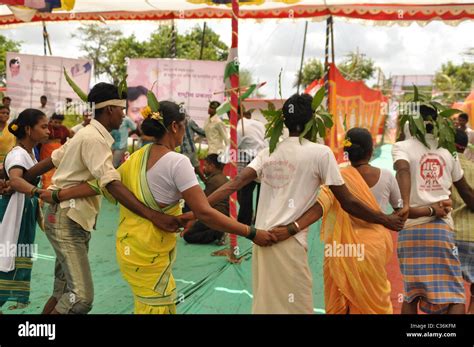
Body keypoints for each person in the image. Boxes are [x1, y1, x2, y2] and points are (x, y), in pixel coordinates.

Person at [184, 94, 404, 314]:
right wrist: (386, 219)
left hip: (261, 240)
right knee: (297, 307)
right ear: (313, 121)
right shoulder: (321, 154)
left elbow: (235, 184)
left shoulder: (268, 151)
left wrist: (196, 209)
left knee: (266, 306)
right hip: (289, 242)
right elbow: (347, 202)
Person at [23, 83, 184, 315]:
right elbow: (111, 183)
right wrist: (152, 215)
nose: (123, 115)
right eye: (121, 110)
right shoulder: (94, 139)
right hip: (67, 218)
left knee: (64, 293)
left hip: (67, 217)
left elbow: (53, 160)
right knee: (80, 299)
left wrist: (19, 177)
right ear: (109, 110)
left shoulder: (87, 134)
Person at [276, 127, 450, 314]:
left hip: (340, 249)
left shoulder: (337, 177)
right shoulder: (386, 177)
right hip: (373, 247)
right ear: (371, 150)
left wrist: (291, 228)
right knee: (372, 301)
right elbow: (403, 212)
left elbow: (319, 207)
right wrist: (433, 210)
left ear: (347, 153)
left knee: (344, 297)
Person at [392, 105, 474, 314]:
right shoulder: (448, 151)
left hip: (410, 229)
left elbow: (402, 168)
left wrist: (407, 204)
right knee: (455, 295)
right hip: (440, 230)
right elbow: (465, 191)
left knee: (411, 294)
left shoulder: (402, 146)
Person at [0, 109, 50, 311]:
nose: (48, 130)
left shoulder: (29, 153)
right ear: (28, 129)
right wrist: (38, 192)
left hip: (24, 212)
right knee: (8, 257)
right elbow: (16, 179)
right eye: (43, 126)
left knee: (19, 254)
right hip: (14, 212)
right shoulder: (18, 153)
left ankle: (14, 297)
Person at [182, 154, 229, 245]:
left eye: (205, 165)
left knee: (188, 236)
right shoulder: (223, 178)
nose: (203, 168)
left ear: (212, 166)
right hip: (224, 214)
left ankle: (217, 233)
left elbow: (202, 203)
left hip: (215, 215)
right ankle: (219, 231)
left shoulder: (214, 181)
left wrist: (193, 220)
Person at [452, 128, 474, 313]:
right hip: (473, 235)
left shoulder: (441, 168)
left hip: (449, 235)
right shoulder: (473, 167)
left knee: (452, 293)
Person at [236, 109, 267, 225]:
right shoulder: (258, 123)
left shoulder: (239, 129)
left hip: (251, 161)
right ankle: (259, 219)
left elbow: (234, 146)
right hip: (265, 157)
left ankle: (245, 220)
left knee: (244, 192)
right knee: (262, 192)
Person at [39, 113, 70, 189]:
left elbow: (66, 138)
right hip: (46, 151)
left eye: (60, 123)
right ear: (51, 120)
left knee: (58, 170)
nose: (57, 124)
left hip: (59, 151)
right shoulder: (47, 128)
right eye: (56, 122)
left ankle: (56, 191)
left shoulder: (63, 129)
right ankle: (46, 190)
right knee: (47, 171)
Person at [181, 113, 207, 183]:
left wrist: (208, 133)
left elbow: (201, 132)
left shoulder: (186, 122)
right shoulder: (189, 121)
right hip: (191, 148)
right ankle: (206, 182)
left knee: (184, 169)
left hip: (187, 150)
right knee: (196, 168)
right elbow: (200, 132)